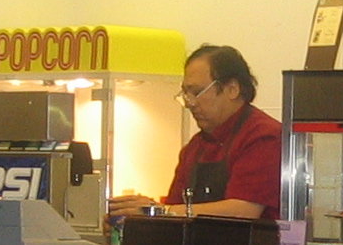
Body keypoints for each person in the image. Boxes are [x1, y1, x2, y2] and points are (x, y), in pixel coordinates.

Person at [111, 44, 282, 220]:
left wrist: (159, 211)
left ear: (232, 89)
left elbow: (243, 211)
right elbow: (173, 212)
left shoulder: (264, 137)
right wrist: (131, 219)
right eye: (185, 94)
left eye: (197, 92)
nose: (189, 103)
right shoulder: (195, 147)